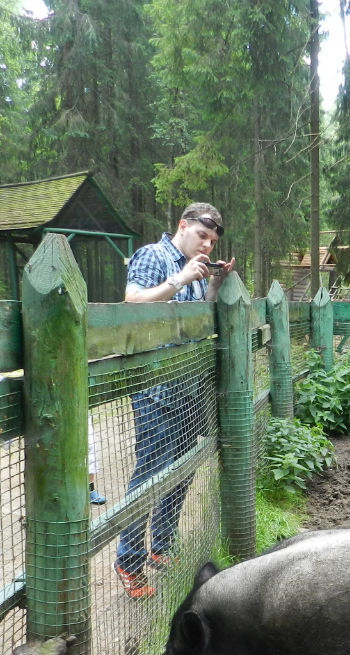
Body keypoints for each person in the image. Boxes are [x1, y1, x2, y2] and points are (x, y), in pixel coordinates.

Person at [114, 203, 234, 599]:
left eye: (212, 240)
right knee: (149, 474)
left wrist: (214, 282)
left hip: (188, 388)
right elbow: (133, 302)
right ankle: (128, 560)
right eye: (202, 235)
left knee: (180, 473)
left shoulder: (195, 267)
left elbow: (199, 315)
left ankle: (161, 546)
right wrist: (180, 279)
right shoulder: (155, 255)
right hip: (155, 387)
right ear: (182, 226)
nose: (207, 244)